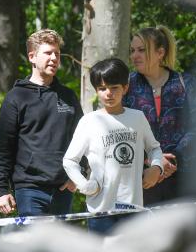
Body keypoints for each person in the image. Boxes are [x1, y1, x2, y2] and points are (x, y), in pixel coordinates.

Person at [63, 58, 164, 233]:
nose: (108, 93)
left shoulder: (138, 117)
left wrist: (156, 168)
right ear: (96, 90)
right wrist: (84, 185)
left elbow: (154, 148)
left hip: (133, 210)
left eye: (114, 87)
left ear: (125, 88)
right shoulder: (89, 121)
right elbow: (70, 160)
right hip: (101, 211)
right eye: (102, 88)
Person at [0, 29, 83, 217]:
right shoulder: (16, 97)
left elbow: (84, 139)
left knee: (59, 246)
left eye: (57, 53)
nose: (54, 58)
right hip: (29, 189)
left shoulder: (68, 96)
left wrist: (79, 175)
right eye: (48, 53)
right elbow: (3, 148)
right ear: (32, 57)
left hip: (64, 189)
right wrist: (1, 190)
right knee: (34, 246)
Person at [123, 26, 196, 204]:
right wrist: (151, 162)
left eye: (142, 50)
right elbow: (121, 129)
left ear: (160, 53)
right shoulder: (126, 85)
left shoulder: (185, 83)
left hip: (184, 178)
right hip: (143, 178)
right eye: (132, 50)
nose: (134, 55)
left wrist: (172, 159)